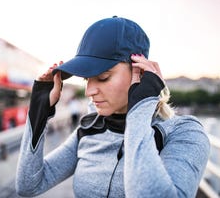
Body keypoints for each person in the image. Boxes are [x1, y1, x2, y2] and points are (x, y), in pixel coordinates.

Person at [15, 16, 210, 197]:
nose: (89, 91)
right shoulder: (89, 128)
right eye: (86, 79)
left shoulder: (184, 133)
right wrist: (39, 109)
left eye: (103, 77)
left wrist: (140, 108)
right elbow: (29, 184)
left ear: (140, 73)